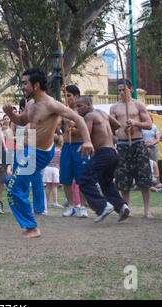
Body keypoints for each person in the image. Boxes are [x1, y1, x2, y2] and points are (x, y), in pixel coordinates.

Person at [3, 68, 94, 238]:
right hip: (31, 149)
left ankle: (33, 228)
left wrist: (87, 140)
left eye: (25, 83)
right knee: (17, 187)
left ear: (36, 85)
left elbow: (79, 119)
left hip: (40, 153)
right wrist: (10, 114)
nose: (22, 86)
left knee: (14, 188)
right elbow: (21, 121)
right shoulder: (30, 104)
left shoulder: (51, 104)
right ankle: (31, 224)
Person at [75, 95, 130, 223]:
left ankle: (102, 206)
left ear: (88, 105)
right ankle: (122, 206)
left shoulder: (89, 116)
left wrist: (77, 125)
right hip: (113, 152)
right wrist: (103, 133)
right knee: (106, 183)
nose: (77, 109)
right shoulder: (102, 113)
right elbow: (116, 124)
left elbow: (86, 134)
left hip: (103, 153)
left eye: (79, 106)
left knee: (84, 181)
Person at [110, 79, 154, 219]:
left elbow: (149, 125)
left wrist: (135, 123)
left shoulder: (138, 105)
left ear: (131, 89)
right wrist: (116, 132)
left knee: (144, 177)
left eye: (124, 89)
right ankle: (126, 208)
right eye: (120, 90)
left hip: (138, 143)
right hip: (122, 144)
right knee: (123, 179)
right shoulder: (114, 107)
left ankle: (147, 210)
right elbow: (111, 126)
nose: (122, 93)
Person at [58, 85, 89, 218]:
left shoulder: (82, 112)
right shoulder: (63, 111)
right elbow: (58, 127)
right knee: (66, 178)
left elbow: (87, 127)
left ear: (76, 96)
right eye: (65, 95)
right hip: (66, 146)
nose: (66, 98)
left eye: (69, 95)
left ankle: (82, 206)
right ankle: (71, 206)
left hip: (79, 146)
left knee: (82, 177)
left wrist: (75, 123)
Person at [43, 134, 63, 209]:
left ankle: (48, 202)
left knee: (48, 186)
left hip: (47, 168)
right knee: (54, 186)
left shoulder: (49, 151)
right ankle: (55, 202)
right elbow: (60, 162)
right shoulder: (60, 152)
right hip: (55, 169)